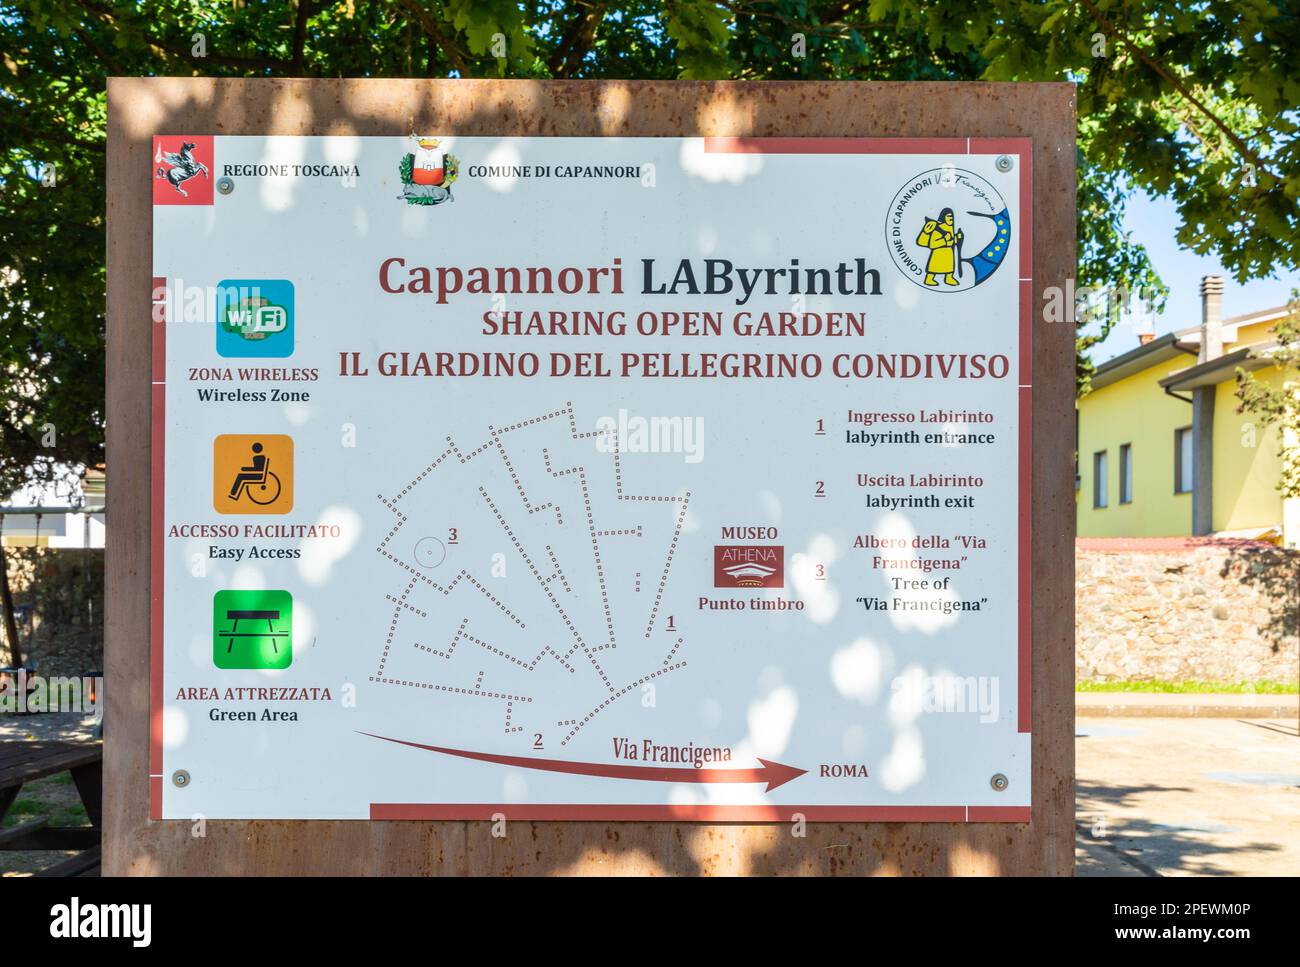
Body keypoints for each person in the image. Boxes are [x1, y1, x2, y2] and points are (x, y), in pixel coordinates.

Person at [917, 208, 963, 286]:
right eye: (948, 216)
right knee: (934, 267)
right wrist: (945, 240)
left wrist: (957, 238)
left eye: (952, 216)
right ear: (943, 217)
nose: (951, 218)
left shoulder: (950, 227)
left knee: (949, 267)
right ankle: (929, 279)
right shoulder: (938, 228)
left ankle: (949, 278)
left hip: (948, 253)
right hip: (938, 253)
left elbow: (951, 240)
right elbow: (932, 244)